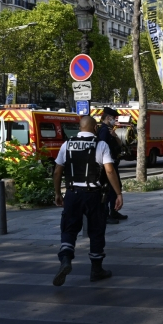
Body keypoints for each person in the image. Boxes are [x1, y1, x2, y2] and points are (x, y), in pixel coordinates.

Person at [52, 116, 124, 287]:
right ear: (94, 128)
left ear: (80, 127)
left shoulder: (67, 144)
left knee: (69, 228)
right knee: (96, 230)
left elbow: (57, 171)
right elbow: (109, 171)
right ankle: (96, 269)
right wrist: (118, 193)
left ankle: (66, 260)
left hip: (72, 193)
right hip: (94, 194)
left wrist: (57, 193)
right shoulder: (101, 145)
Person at [97, 107, 127, 224]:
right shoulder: (104, 131)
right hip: (108, 164)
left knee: (115, 187)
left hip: (113, 162)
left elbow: (119, 144)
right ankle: (108, 214)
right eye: (114, 118)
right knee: (109, 189)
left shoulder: (110, 130)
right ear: (108, 118)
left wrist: (115, 136)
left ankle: (113, 212)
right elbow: (103, 148)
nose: (115, 120)